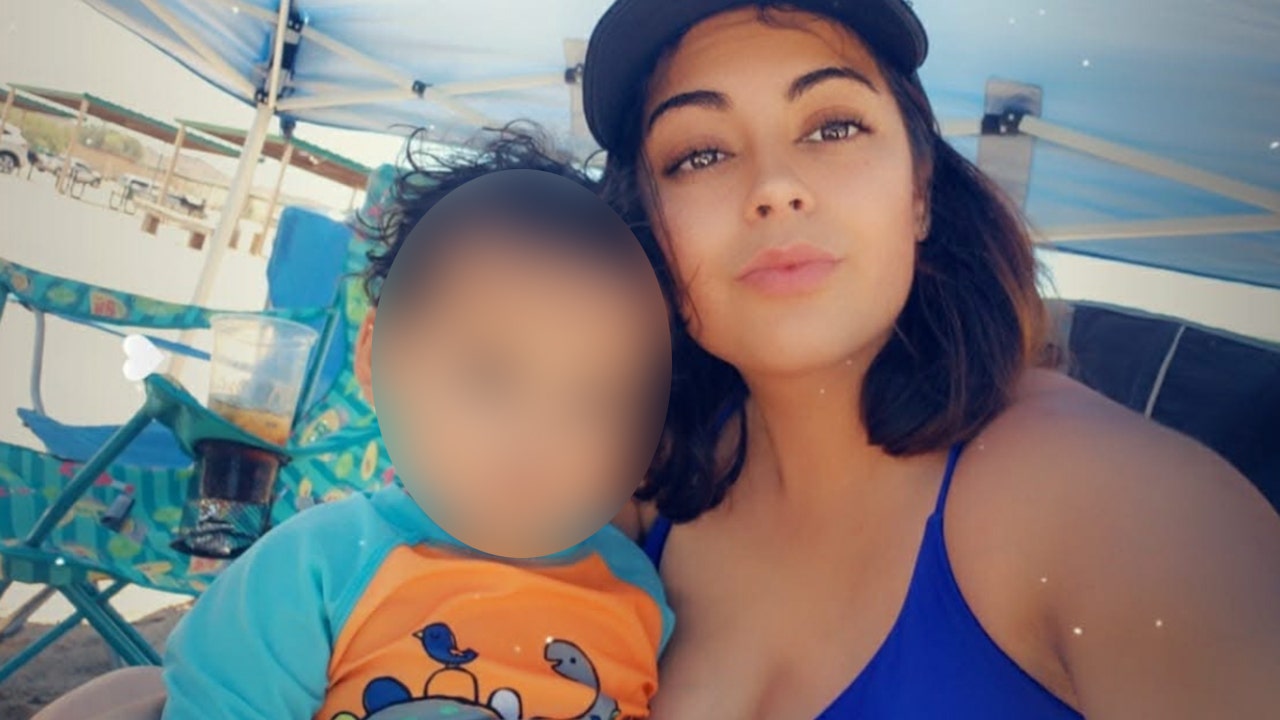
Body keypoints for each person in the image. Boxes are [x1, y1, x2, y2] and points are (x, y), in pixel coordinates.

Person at [32, 1, 1280, 718]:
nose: (774, 186)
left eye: (831, 125)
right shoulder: (627, 489)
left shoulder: (1117, 511)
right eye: (699, 153)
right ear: (645, 236)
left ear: (916, 191)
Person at [47, 128, 675, 720]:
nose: (538, 436)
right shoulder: (312, 570)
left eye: (595, 401)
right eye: (490, 377)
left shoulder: (640, 596)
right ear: (377, 355)